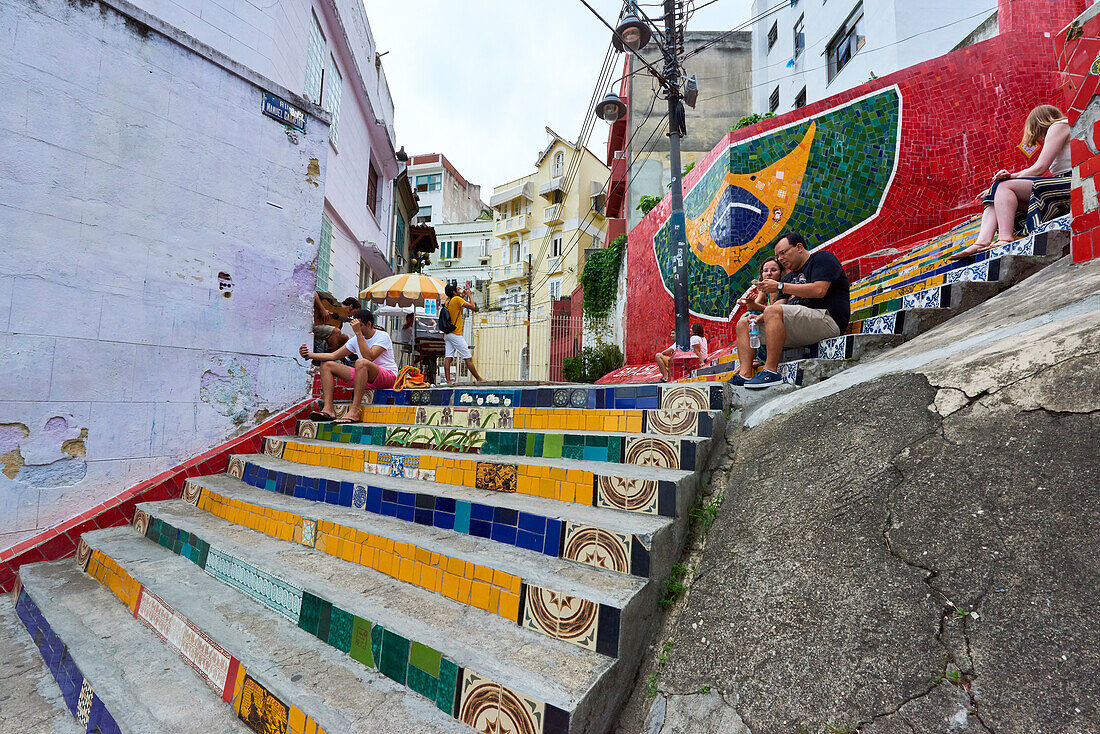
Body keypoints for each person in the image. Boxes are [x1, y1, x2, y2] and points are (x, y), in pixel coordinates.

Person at [952, 105, 1072, 259]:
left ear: (1038, 123)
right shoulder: (1061, 128)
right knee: (996, 192)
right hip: (1060, 183)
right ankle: (981, 242)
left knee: (1003, 187)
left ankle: (1004, 238)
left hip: (1071, 181)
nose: (1040, 139)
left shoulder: (1058, 126)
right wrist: (998, 185)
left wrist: (1009, 178)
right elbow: (1035, 169)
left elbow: (1040, 167)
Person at [732, 232, 850, 389]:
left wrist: (780, 286)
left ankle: (771, 371)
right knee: (744, 324)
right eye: (778, 255)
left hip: (827, 321)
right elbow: (775, 308)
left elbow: (819, 290)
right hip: (801, 326)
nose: (780, 258)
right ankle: (744, 374)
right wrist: (759, 316)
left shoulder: (822, 258)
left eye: (783, 253)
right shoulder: (789, 278)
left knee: (772, 312)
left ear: (799, 247)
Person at [299, 309, 398, 423]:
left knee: (361, 362)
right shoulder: (356, 339)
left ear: (369, 324)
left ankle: (355, 411)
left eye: (360, 326)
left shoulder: (382, 336)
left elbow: (369, 357)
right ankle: (328, 410)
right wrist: (308, 355)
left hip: (388, 377)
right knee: (327, 365)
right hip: (364, 377)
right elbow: (333, 355)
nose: (357, 329)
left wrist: (358, 333)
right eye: (356, 326)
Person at [732, 257, 788, 368]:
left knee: (757, 318)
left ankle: (761, 358)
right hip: (769, 315)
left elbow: (778, 308)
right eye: (765, 271)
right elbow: (754, 307)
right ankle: (748, 361)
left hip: (780, 319)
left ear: (781, 273)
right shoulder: (763, 290)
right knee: (747, 316)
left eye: (773, 270)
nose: (769, 274)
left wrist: (754, 306)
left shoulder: (784, 287)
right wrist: (749, 302)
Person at [441, 284, 485, 385]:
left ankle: (448, 381)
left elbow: (459, 311)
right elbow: (473, 307)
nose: (459, 290)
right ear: (453, 292)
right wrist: (469, 295)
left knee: (448, 358)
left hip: (447, 334)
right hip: (455, 334)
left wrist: (463, 297)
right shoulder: (457, 299)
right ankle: (478, 378)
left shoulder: (448, 302)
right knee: (468, 358)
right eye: (457, 289)